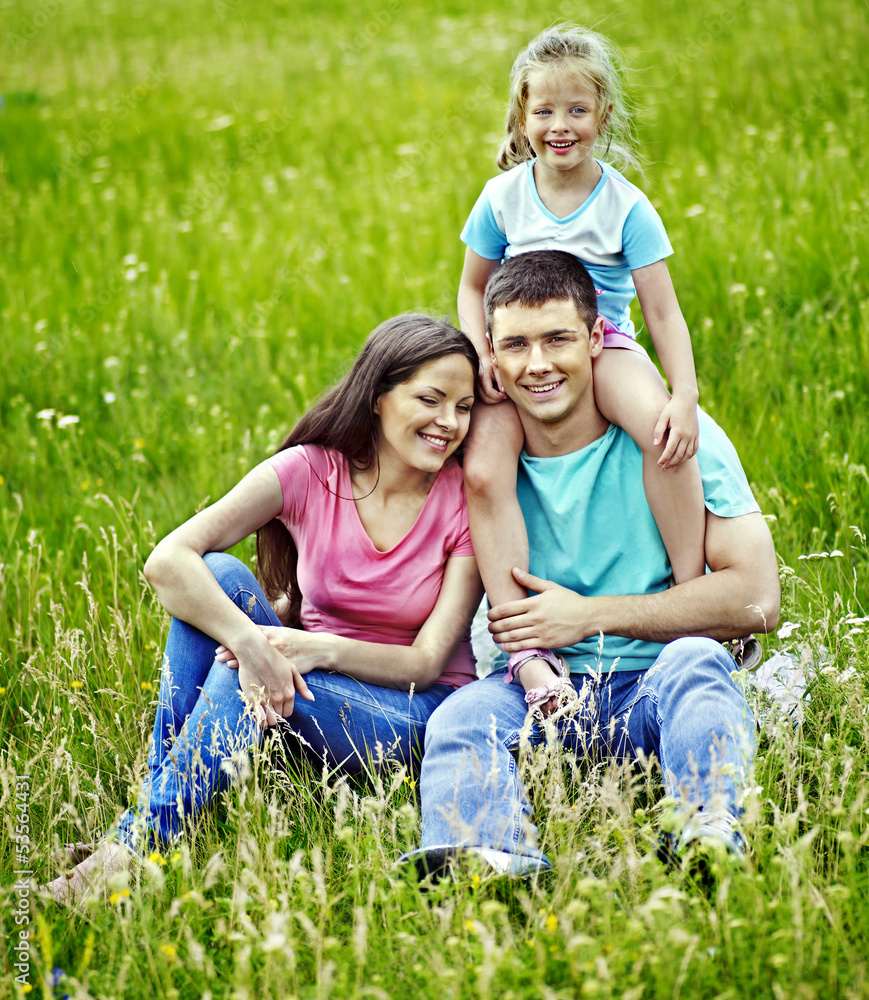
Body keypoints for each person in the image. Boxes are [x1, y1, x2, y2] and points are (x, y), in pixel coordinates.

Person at [48, 314, 483, 902]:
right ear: (378, 397)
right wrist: (253, 642)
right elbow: (168, 560)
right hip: (302, 679)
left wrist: (308, 648)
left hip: (410, 712)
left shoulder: (465, 497)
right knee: (221, 578)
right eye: (430, 400)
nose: (449, 423)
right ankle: (153, 822)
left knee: (243, 666)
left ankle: (136, 844)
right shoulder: (311, 470)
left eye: (463, 406)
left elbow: (428, 661)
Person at [406, 251, 780, 878]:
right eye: (516, 346)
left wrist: (588, 617)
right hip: (539, 695)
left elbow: (758, 600)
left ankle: (708, 836)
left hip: (654, 683)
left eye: (558, 339)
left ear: (597, 337)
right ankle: (492, 860)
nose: (538, 365)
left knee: (700, 660)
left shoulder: (677, 438)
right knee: (461, 716)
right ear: (490, 358)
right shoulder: (476, 458)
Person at [458, 25, 707, 680]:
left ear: (603, 113)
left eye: (575, 110)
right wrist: (482, 349)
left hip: (606, 345)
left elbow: (662, 311)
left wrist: (683, 395)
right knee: (482, 466)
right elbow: (471, 285)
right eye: (543, 111)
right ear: (521, 114)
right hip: (521, 353)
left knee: (661, 435)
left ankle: (689, 594)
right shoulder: (501, 198)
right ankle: (520, 634)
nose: (559, 125)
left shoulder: (625, 206)